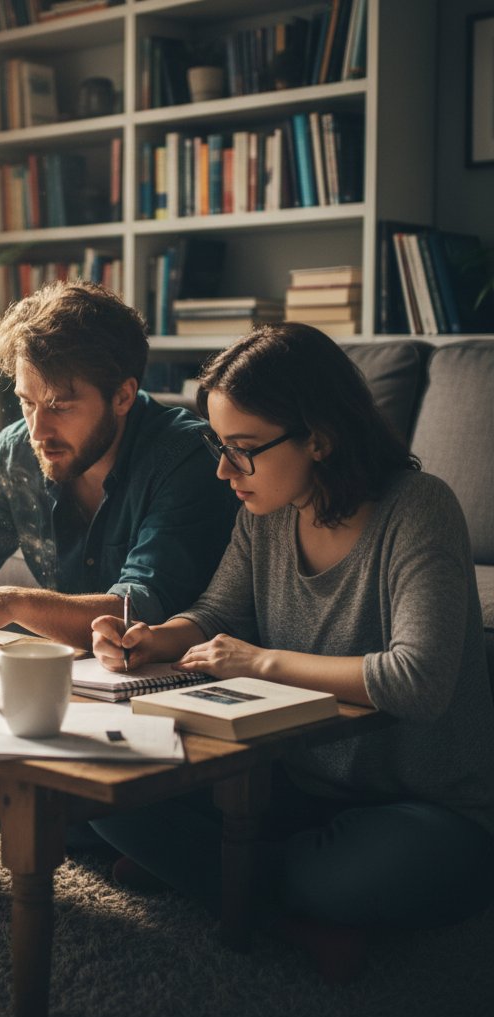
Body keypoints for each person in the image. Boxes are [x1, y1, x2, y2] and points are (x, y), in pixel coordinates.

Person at [89, 322, 494, 975]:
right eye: (219, 446)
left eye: (242, 449)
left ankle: (227, 878)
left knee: (349, 875)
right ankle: (278, 908)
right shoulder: (265, 511)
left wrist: (258, 662)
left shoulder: (419, 509)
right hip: (291, 782)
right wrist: (154, 640)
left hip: (428, 811)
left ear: (320, 439)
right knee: (105, 794)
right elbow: (220, 610)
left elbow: (418, 679)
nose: (224, 470)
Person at [0, 278, 237, 651]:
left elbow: (139, 611)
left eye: (59, 407)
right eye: (27, 402)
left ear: (122, 396)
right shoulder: (17, 452)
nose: (37, 429)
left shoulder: (186, 458)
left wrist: (13, 603)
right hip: (83, 674)